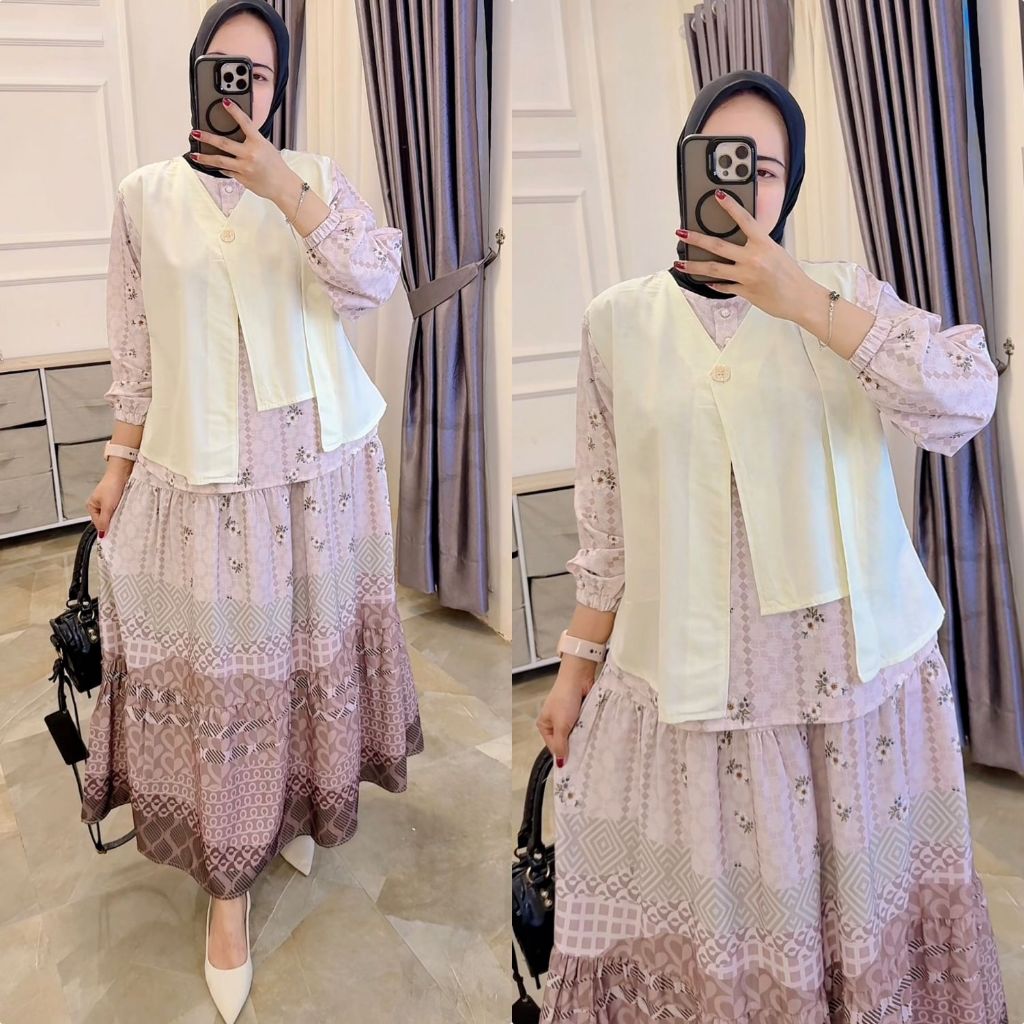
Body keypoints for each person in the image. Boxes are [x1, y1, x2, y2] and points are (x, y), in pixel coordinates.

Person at [536, 71, 1009, 1022]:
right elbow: (608, 527)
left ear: (787, 188)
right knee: (728, 945)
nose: (740, 181)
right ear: (684, 166)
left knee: (859, 934)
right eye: (720, 157)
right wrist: (574, 673)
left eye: (765, 167)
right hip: (692, 705)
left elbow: (968, 396)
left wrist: (809, 305)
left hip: (851, 701)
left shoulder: (845, 296)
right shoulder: (616, 322)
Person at [82, 2, 423, 1020]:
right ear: (197, 74)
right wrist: (116, 464)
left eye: (261, 74)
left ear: (278, 90)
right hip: (207, 487)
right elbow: (136, 347)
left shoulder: (314, 179)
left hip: (321, 476)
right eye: (226, 68)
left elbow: (375, 280)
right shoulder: (144, 197)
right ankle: (227, 889)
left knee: (307, 657)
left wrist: (285, 188)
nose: (243, 88)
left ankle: (296, 810)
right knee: (227, 678)